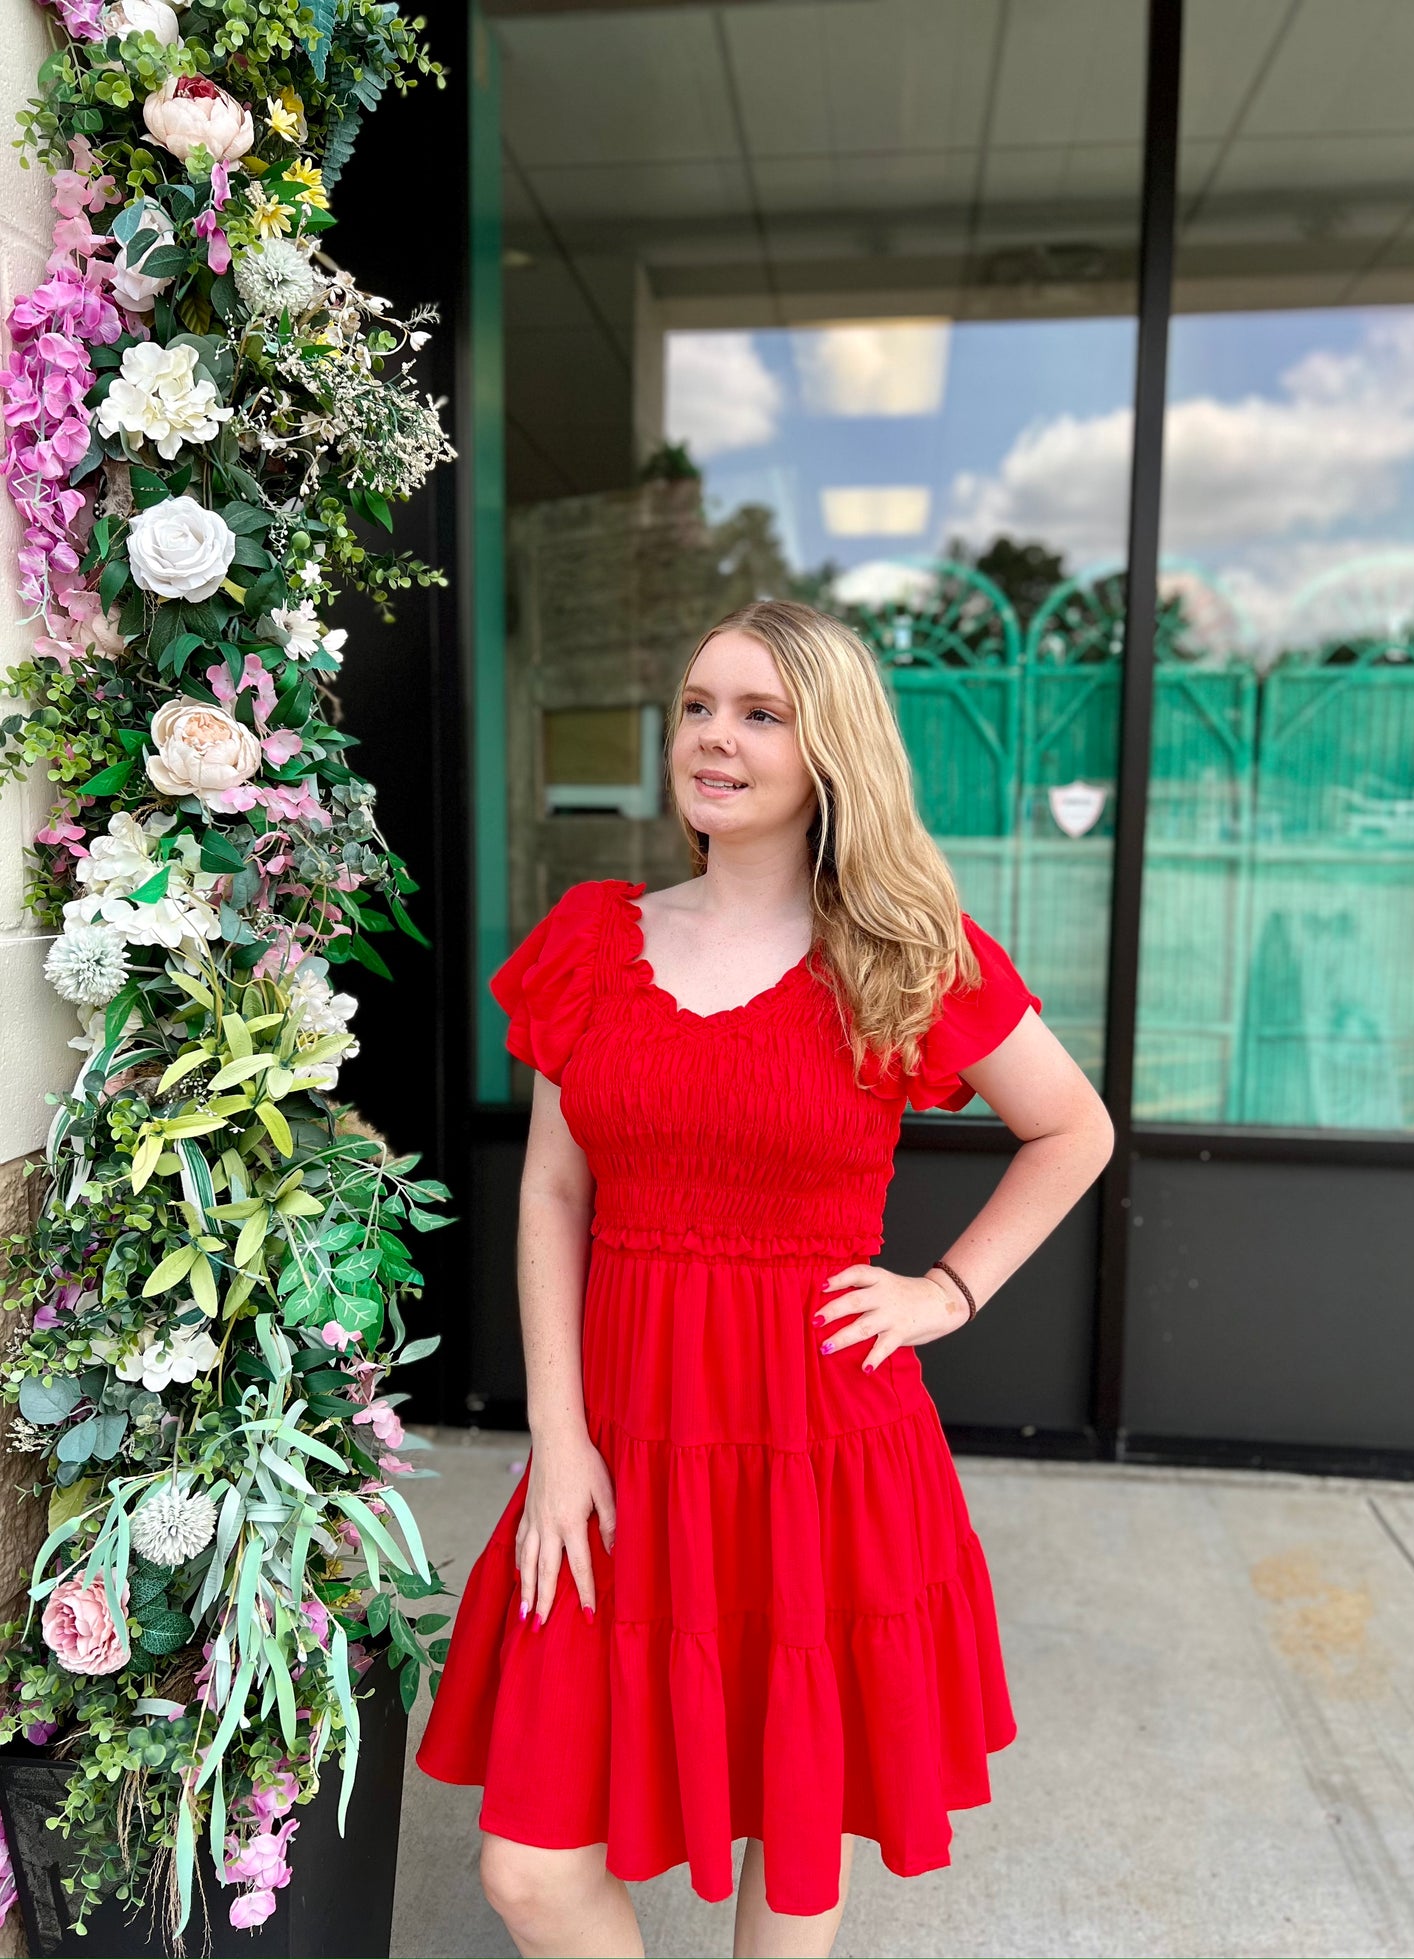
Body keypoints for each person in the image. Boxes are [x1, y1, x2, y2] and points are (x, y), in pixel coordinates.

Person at [416, 598, 1114, 1959]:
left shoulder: (901, 953)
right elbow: (554, 1194)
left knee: (794, 1832)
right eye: (694, 706)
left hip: (819, 1445)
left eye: (757, 713)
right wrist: (556, 1441)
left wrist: (943, 1293)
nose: (712, 739)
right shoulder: (592, 938)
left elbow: (1070, 1128)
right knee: (529, 1872)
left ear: (827, 751)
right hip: (616, 1442)